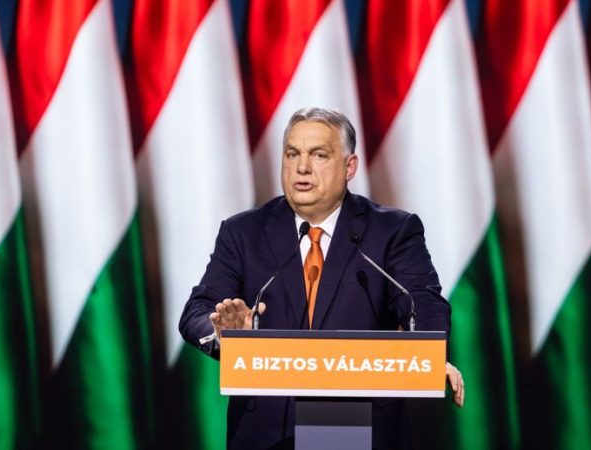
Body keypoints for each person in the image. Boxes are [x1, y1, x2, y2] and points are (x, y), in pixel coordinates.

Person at [180, 107, 464, 449]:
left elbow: (423, 302)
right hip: (269, 430)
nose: (302, 167)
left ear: (349, 167)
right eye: (292, 154)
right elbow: (196, 312)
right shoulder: (244, 232)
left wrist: (429, 355)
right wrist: (224, 334)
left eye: (319, 155)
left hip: (359, 423)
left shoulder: (392, 231)